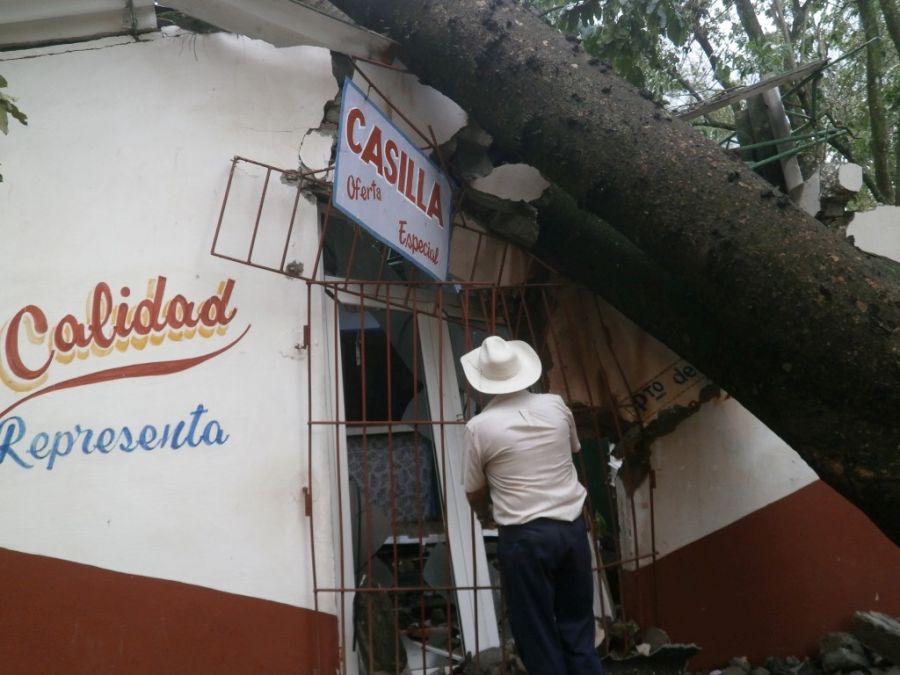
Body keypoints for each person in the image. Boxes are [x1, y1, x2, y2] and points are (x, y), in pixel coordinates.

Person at [461, 335, 604, 675]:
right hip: (571, 529)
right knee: (578, 628)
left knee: (537, 635)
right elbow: (572, 451)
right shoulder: (555, 405)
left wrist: (487, 515)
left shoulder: (479, 427)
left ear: (481, 382)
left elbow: (474, 491)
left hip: (525, 538)